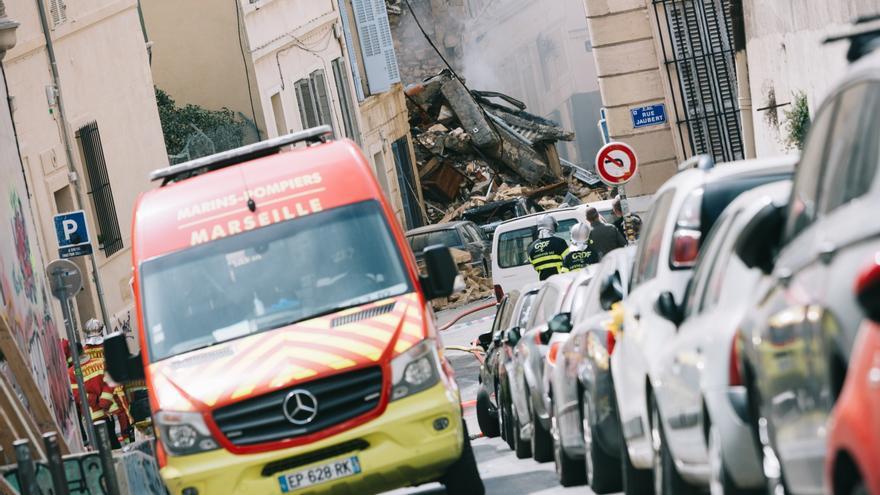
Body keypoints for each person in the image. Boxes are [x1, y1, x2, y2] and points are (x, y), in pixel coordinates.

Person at [527, 215, 569, 281]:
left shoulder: (531, 247)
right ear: (551, 226)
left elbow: (535, 267)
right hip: (561, 280)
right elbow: (569, 260)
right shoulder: (560, 242)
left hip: (544, 284)